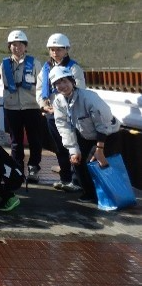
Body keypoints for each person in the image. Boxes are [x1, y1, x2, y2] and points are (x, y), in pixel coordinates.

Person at [50, 66, 120, 204]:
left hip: (108, 134)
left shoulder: (89, 98)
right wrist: (73, 150)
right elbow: (64, 127)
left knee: (98, 163)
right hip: (86, 134)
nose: (62, 86)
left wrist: (99, 149)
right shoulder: (58, 102)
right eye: (58, 83)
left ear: (72, 81)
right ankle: (90, 193)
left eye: (65, 81)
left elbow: (103, 124)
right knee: (78, 161)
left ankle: (114, 193)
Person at [36, 33, 86, 193]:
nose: (55, 52)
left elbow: (80, 90)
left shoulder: (73, 68)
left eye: (59, 49)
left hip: (71, 114)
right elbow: (39, 89)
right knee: (59, 147)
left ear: (66, 50)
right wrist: (43, 105)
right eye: (52, 49)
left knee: (74, 145)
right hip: (52, 113)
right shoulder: (45, 68)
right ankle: (65, 179)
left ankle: (77, 180)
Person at [0, 30, 44, 184]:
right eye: (13, 44)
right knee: (15, 141)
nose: (16, 47)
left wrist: (43, 103)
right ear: (9, 46)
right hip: (12, 106)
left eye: (20, 44)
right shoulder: (4, 64)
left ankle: (33, 167)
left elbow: (41, 85)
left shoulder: (35, 63)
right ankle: (17, 169)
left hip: (31, 105)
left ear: (25, 46)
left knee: (34, 139)